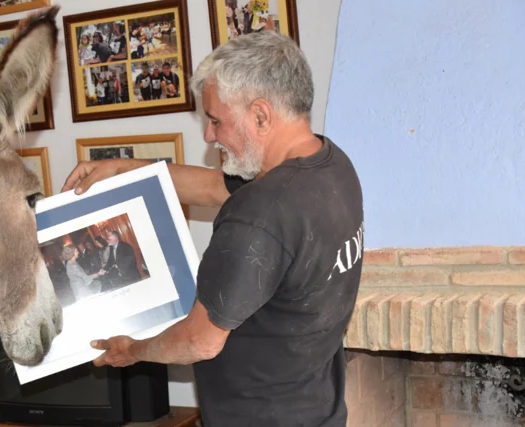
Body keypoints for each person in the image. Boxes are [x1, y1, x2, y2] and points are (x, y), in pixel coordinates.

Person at [61, 31, 364, 427]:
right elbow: (207, 186)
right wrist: (121, 168)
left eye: (216, 120)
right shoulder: (331, 164)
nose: (208, 135)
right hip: (316, 408)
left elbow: (198, 340)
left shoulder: (260, 214)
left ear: (260, 115)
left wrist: (133, 350)